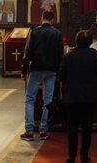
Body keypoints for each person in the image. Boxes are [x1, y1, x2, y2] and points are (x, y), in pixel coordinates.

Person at [59, 29, 97, 163]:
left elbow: (61, 76)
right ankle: (84, 155)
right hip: (90, 97)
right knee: (87, 126)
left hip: (72, 96)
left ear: (77, 41)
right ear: (91, 42)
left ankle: (71, 155)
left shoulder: (68, 56)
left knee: (72, 127)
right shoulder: (94, 55)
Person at [21, 10, 63, 141]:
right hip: (51, 70)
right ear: (53, 20)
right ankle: (44, 129)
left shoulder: (34, 32)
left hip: (36, 69)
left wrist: (23, 70)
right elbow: (60, 55)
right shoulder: (57, 33)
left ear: (41, 18)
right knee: (48, 100)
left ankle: (29, 131)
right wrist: (58, 71)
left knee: (30, 100)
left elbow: (28, 52)